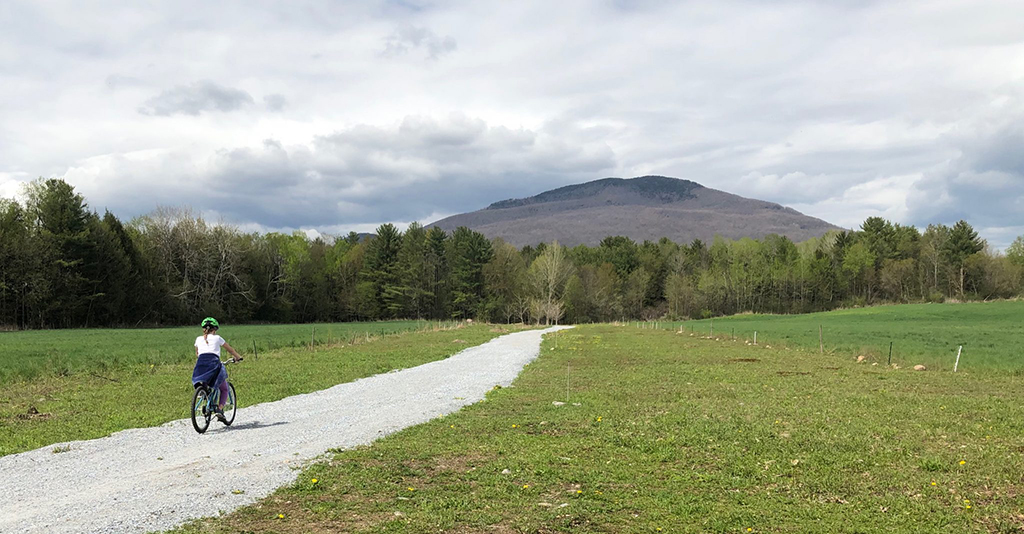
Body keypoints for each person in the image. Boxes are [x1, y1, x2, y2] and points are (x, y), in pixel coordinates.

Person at [192, 317, 242, 422]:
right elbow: (230, 350)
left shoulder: (198, 339)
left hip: (200, 365)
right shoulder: (218, 338)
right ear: (214, 329)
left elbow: (198, 353)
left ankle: (203, 392)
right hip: (213, 364)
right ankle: (219, 410)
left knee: (204, 380)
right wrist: (238, 357)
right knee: (224, 388)